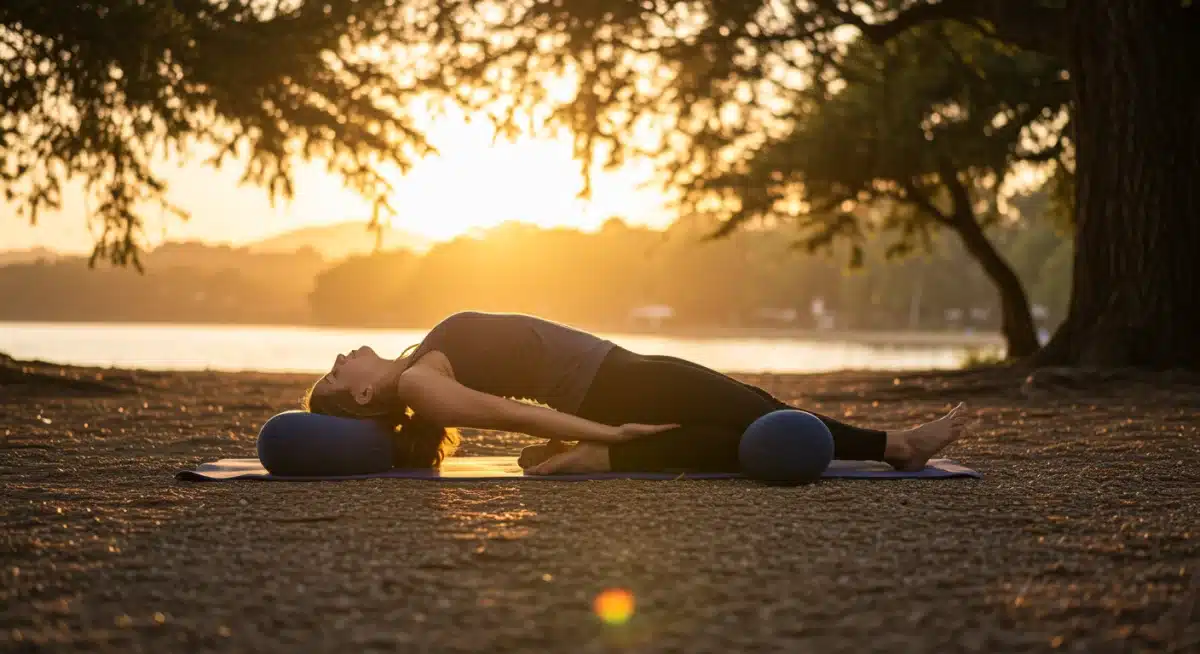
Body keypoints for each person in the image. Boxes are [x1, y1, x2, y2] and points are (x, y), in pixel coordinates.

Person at [303, 311, 967, 475]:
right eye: (337, 375)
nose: (339, 357)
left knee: (746, 411)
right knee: (754, 410)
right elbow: (510, 415)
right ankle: (897, 446)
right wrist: (606, 433)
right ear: (365, 398)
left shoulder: (420, 361)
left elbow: (516, 398)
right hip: (612, 384)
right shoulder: (421, 384)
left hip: (613, 371)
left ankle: (613, 462)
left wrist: (588, 445)